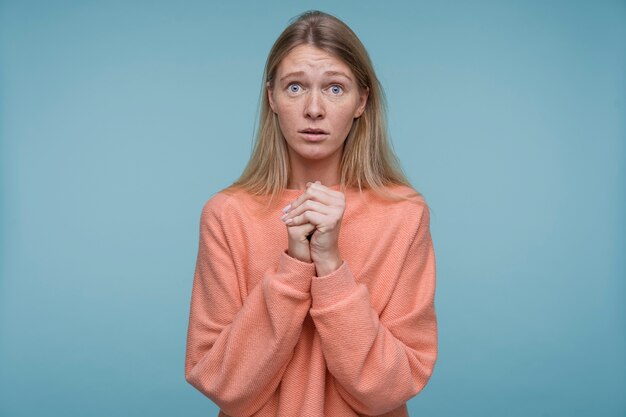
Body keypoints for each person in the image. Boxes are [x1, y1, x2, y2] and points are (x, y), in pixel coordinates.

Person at [184, 10, 438, 417]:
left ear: (362, 101)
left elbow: (393, 387)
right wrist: (293, 266)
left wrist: (332, 268)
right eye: (296, 87)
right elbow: (222, 384)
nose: (314, 109)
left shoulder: (404, 215)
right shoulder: (227, 215)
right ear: (272, 99)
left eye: (335, 88)